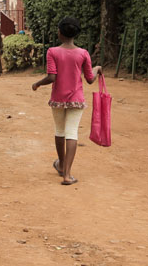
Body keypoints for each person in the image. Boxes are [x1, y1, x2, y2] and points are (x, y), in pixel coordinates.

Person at [31, 17, 103, 185]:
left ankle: (61, 165)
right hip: (76, 100)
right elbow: (90, 79)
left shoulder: (52, 52)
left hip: (58, 98)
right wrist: (97, 68)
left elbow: (52, 77)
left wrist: (37, 84)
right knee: (72, 133)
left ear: (60, 33)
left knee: (59, 131)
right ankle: (67, 175)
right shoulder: (83, 53)